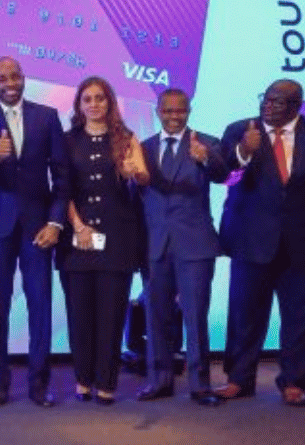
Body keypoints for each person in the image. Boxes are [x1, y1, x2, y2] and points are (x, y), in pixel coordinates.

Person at [0, 56, 70, 407]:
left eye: (15, 76)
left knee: (40, 304)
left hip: (39, 227)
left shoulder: (47, 117)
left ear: (23, 78)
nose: (10, 83)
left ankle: (40, 384)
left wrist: (56, 222)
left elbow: (61, 176)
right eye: (3, 78)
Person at [56, 77, 147, 404]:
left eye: (100, 98)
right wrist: (78, 226)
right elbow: (61, 189)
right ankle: (83, 379)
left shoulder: (126, 138)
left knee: (111, 313)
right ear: (79, 105)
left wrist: (134, 173)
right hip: (78, 237)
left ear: (110, 102)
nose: (94, 104)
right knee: (79, 312)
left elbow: (143, 177)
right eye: (88, 99)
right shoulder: (66, 141)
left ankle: (107, 382)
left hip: (117, 238)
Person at [134, 89, 228, 406]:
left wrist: (206, 158)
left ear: (189, 111)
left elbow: (222, 174)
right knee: (156, 317)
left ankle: (200, 385)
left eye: (181, 111)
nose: (174, 116)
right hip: (155, 244)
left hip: (195, 245)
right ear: (158, 111)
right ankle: (159, 380)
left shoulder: (206, 143)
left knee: (195, 316)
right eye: (168, 111)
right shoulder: (142, 149)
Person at [215, 79, 305, 406]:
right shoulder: (240, 130)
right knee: (245, 313)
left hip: (298, 242)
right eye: (266, 99)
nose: (268, 106)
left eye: (277, 102)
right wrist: (244, 152)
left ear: (296, 106)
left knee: (299, 317)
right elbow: (221, 173)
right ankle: (239, 379)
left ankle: (294, 381)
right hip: (250, 239)